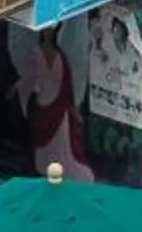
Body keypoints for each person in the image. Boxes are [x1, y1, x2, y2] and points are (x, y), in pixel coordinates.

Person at [17, 27, 93, 181]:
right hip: (42, 101)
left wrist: (71, 106)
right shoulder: (35, 52)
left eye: (51, 30)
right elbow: (29, 76)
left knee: (62, 139)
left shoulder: (60, 55)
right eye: (46, 30)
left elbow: (67, 81)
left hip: (59, 102)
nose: (48, 33)